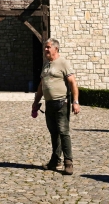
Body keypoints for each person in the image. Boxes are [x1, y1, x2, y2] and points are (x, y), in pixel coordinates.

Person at [31, 38, 80, 175]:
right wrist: (35, 103)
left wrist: (75, 102)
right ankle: (55, 161)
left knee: (63, 132)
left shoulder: (63, 63)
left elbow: (73, 83)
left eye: (48, 47)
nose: (45, 50)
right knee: (54, 133)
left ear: (55, 49)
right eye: (45, 47)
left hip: (61, 103)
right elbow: (41, 86)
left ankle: (68, 162)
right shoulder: (46, 65)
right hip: (49, 104)